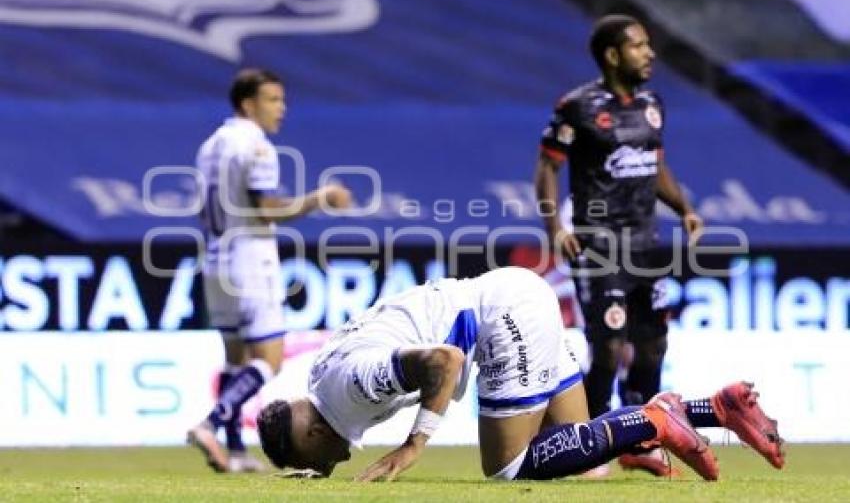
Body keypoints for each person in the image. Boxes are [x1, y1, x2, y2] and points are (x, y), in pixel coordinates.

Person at [256, 267, 784, 481]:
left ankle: (653, 419)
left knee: (508, 467)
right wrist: (318, 475)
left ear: (314, 432)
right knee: (579, 455)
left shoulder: (350, 389)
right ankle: (714, 408)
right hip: (512, 297)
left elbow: (446, 362)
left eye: (317, 459)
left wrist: (413, 445)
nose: (329, 466)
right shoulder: (323, 384)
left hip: (501, 319)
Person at [534, 14, 703, 475]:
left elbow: (654, 165)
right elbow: (548, 168)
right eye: (639, 46)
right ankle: (587, 441)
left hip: (647, 244)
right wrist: (556, 231)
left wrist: (684, 208)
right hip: (598, 243)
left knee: (653, 347)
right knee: (608, 347)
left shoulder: (652, 104)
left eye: (649, 45)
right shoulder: (577, 106)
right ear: (612, 55)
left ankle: (640, 438)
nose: (649, 53)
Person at [188, 68, 352, 472]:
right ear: (248, 103)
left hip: (214, 258)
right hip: (250, 260)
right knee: (269, 360)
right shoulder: (257, 148)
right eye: (273, 100)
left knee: (235, 359)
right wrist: (320, 198)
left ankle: (236, 451)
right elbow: (266, 208)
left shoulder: (210, 146)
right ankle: (209, 424)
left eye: (282, 100)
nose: (282, 109)